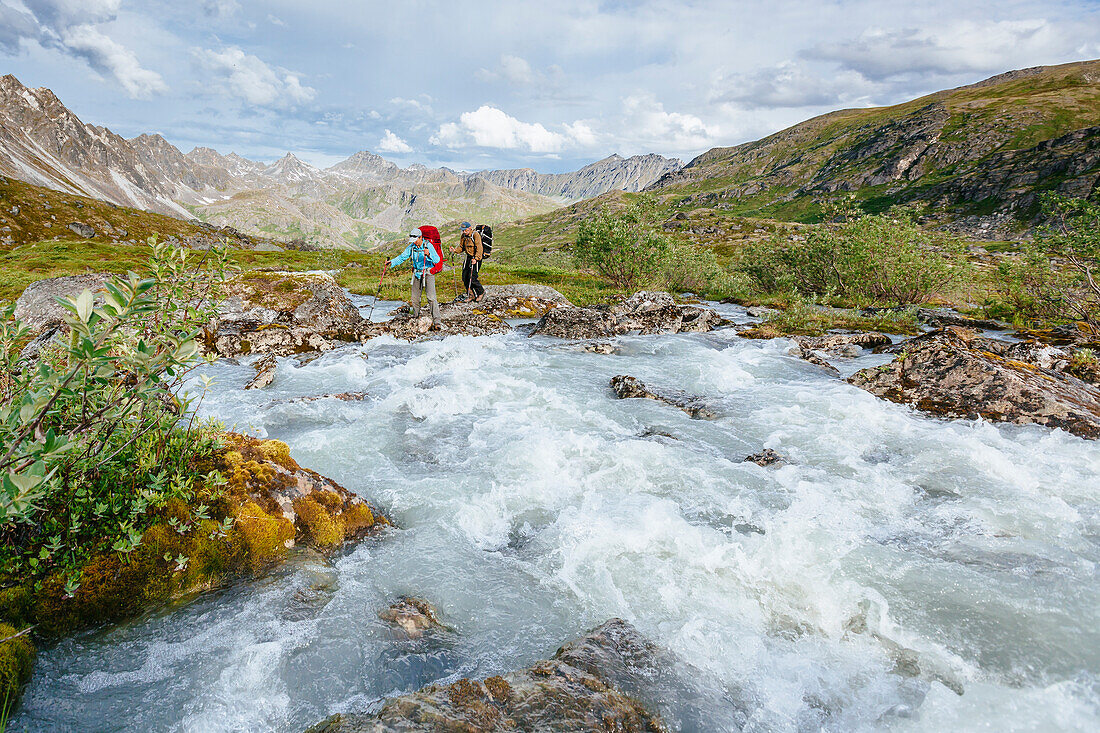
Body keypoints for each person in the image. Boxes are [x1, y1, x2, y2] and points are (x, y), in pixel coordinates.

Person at [384, 228, 441, 329]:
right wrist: (392, 262)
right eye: (412, 240)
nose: (414, 242)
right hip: (417, 274)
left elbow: (437, 259)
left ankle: (437, 321)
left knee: (431, 298)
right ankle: (416, 316)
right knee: (414, 298)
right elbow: (402, 257)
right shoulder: (412, 247)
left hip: (428, 273)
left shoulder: (428, 246)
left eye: (415, 240)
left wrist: (429, 254)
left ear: (420, 237)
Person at [452, 221, 484, 303]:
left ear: (469, 228)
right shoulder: (464, 236)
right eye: (463, 230)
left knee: (472, 277)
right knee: (465, 277)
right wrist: (455, 250)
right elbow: (461, 247)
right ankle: (471, 294)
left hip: (476, 258)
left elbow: (479, 248)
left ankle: (480, 292)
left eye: (465, 230)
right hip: (468, 258)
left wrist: (476, 259)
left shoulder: (475, 235)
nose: (464, 232)